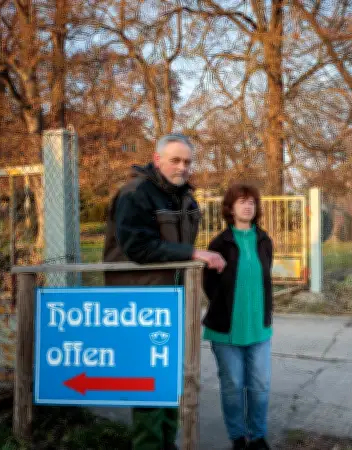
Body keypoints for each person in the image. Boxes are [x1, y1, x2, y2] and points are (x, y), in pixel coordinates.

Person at [103, 133, 226, 450]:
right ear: (157, 160)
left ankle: (166, 443)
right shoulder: (136, 193)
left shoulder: (185, 197)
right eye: (176, 160)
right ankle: (148, 445)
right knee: (148, 380)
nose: (183, 167)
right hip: (141, 301)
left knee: (172, 376)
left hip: (175, 298)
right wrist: (193, 253)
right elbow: (138, 247)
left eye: (187, 161)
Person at [201, 183, 275, 450]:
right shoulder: (220, 243)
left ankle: (257, 436)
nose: (248, 206)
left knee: (260, 386)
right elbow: (208, 284)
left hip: (259, 328)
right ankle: (238, 437)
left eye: (252, 202)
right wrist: (223, 307)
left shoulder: (264, 240)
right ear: (230, 208)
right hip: (226, 330)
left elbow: (264, 280)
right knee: (233, 387)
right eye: (242, 201)